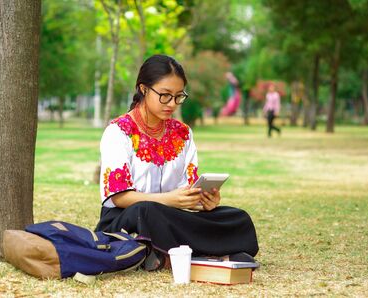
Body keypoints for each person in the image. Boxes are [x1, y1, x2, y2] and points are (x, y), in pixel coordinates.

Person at [95, 54, 258, 270]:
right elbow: (120, 198)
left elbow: (187, 190)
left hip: (171, 217)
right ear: (143, 89)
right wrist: (169, 200)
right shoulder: (118, 132)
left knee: (236, 217)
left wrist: (203, 200)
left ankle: (165, 254)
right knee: (148, 211)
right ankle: (205, 253)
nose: (172, 103)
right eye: (165, 95)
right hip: (128, 217)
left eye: (179, 96)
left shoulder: (183, 133)